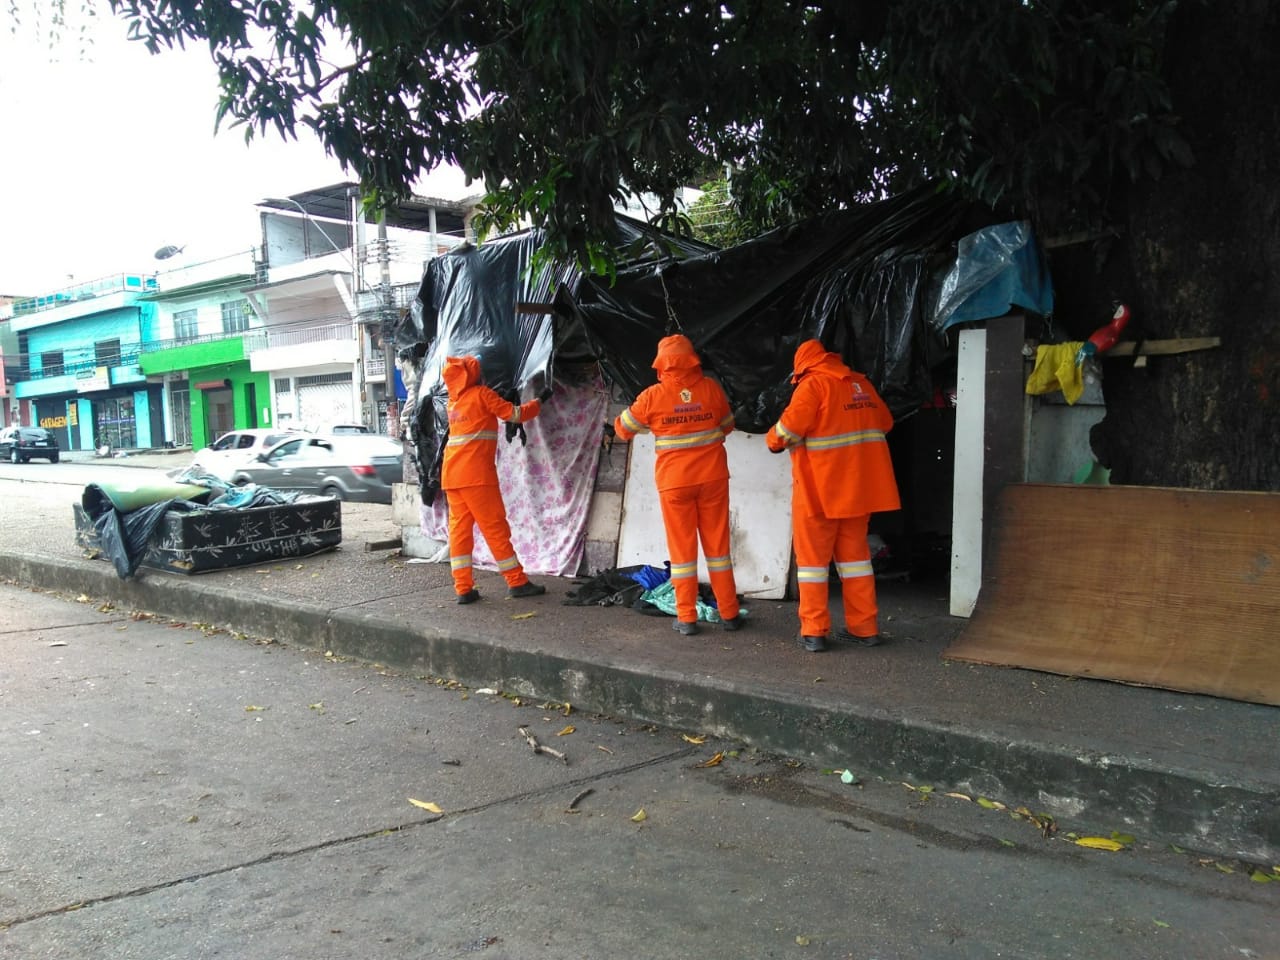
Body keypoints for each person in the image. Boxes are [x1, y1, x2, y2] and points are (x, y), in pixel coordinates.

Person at [766, 339, 900, 653]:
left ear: (803, 367)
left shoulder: (813, 387)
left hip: (819, 494)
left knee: (812, 565)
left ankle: (814, 632)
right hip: (857, 493)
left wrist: (772, 440)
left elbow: (785, 433)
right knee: (856, 563)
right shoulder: (861, 384)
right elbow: (885, 422)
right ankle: (865, 628)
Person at [613, 334, 742, 636]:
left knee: (682, 553)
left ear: (661, 365)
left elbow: (623, 430)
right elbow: (728, 426)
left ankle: (687, 618)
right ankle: (730, 614)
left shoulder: (652, 397)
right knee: (718, 550)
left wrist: (655, 422)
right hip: (712, 479)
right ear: (692, 361)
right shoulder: (711, 389)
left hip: (675, 484)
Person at [441, 355, 552, 604]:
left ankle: (463, 588)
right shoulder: (481, 394)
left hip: (452, 476)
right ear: (473, 376)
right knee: (495, 529)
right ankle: (517, 582)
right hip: (477, 477)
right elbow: (515, 415)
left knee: (459, 533)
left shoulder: (453, 402)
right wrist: (539, 401)